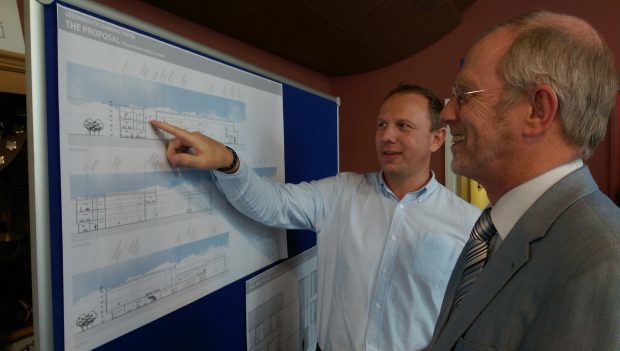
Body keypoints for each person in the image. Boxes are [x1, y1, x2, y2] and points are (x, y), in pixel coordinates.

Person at [151, 83, 481, 351]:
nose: (387, 136)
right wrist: (227, 160)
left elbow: (469, 321)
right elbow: (272, 204)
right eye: (382, 124)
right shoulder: (340, 193)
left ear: (437, 138)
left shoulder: (468, 225)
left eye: (403, 126)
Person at [429, 10, 620, 350]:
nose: (446, 114)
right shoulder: (493, 229)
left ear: (537, 110)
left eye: (464, 95)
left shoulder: (604, 263)